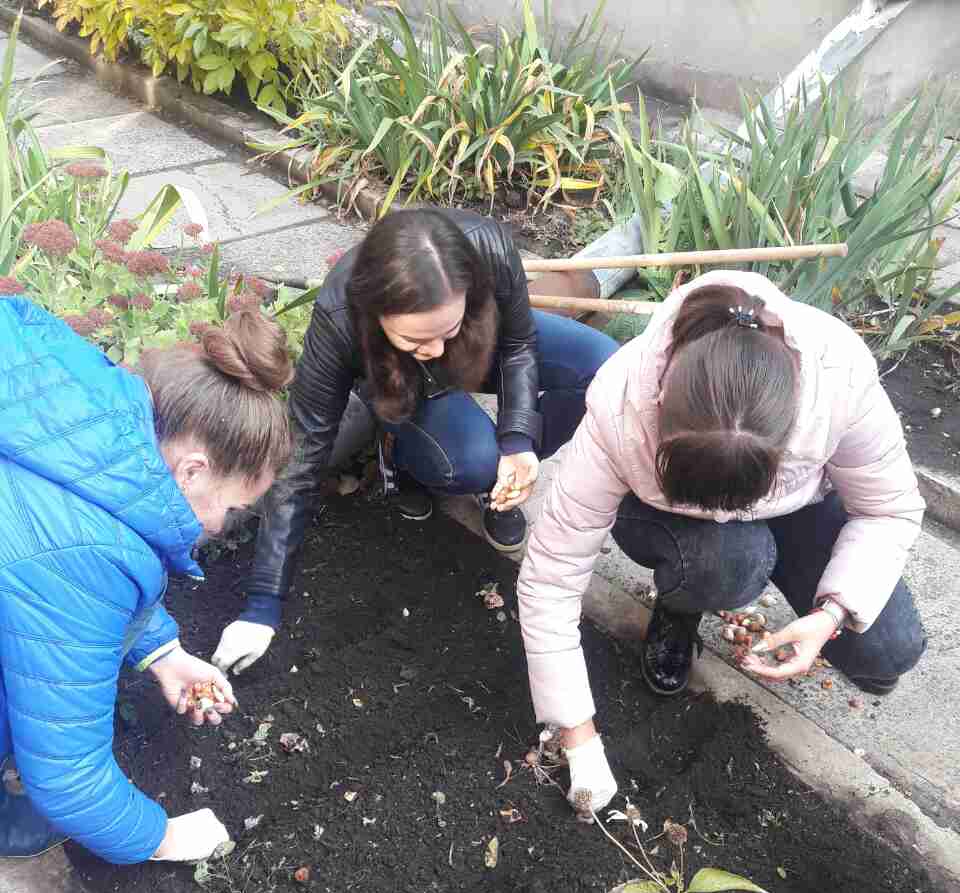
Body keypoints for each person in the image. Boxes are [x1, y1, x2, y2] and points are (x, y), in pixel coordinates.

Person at [517, 273, 927, 814]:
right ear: (661, 411)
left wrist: (830, 615)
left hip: (795, 505)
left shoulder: (838, 379)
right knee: (729, 560)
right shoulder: (621, 408)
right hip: (671, 515)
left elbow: (889, 509)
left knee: (889, 651)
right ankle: (681, 602)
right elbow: (551, 576)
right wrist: (577, 734)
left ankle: (759, 562)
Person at [212, 207, 619, 676]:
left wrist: (518, 440)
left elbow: (518, 344)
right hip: (398, 377)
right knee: (470, 461)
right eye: (417, 337)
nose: (436, 350)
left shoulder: (488, 248)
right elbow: (302, 455)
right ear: (377, 315)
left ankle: (502, 476)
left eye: (446, 330)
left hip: (481, 343)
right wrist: (262, 606)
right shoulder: (340, 317)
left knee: (605, 372)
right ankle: (405, 455)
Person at [0, 298, 294, 862]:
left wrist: (162, 652)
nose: (220, 526)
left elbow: (57, 566)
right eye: (232, 509)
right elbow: (69, 780)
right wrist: (162, 837)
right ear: (192, 471)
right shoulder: (84, 551)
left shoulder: (77, 400)